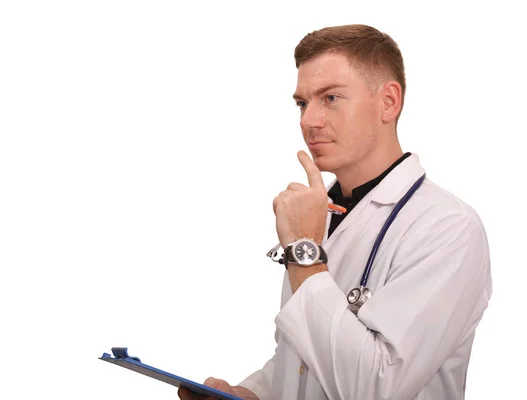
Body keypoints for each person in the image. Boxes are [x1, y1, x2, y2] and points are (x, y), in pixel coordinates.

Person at [178, 24, 492, 400]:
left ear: (389, 102)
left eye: (330, 98)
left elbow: (377, 386)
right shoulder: (321, 213)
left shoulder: (448, 229)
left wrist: (304, 254)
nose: (308, 121)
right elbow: (304, 355)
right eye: (302, 103)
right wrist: (250, 394)